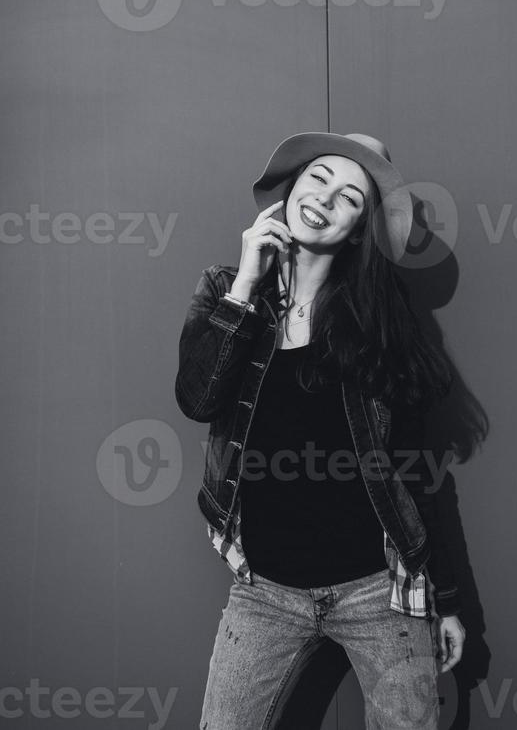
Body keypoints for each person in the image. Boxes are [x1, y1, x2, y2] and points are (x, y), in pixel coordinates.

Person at [174, 131, 484, 729]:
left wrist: (445, 601)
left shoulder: (376, 323)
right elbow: (198, 399)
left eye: (350, 197)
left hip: (378, 594)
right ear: (292, 188)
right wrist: (244, 285)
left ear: (358, 229)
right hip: (265, 592)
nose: (325, 198)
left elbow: (415, 473)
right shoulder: (224, 289)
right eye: (319, 178)